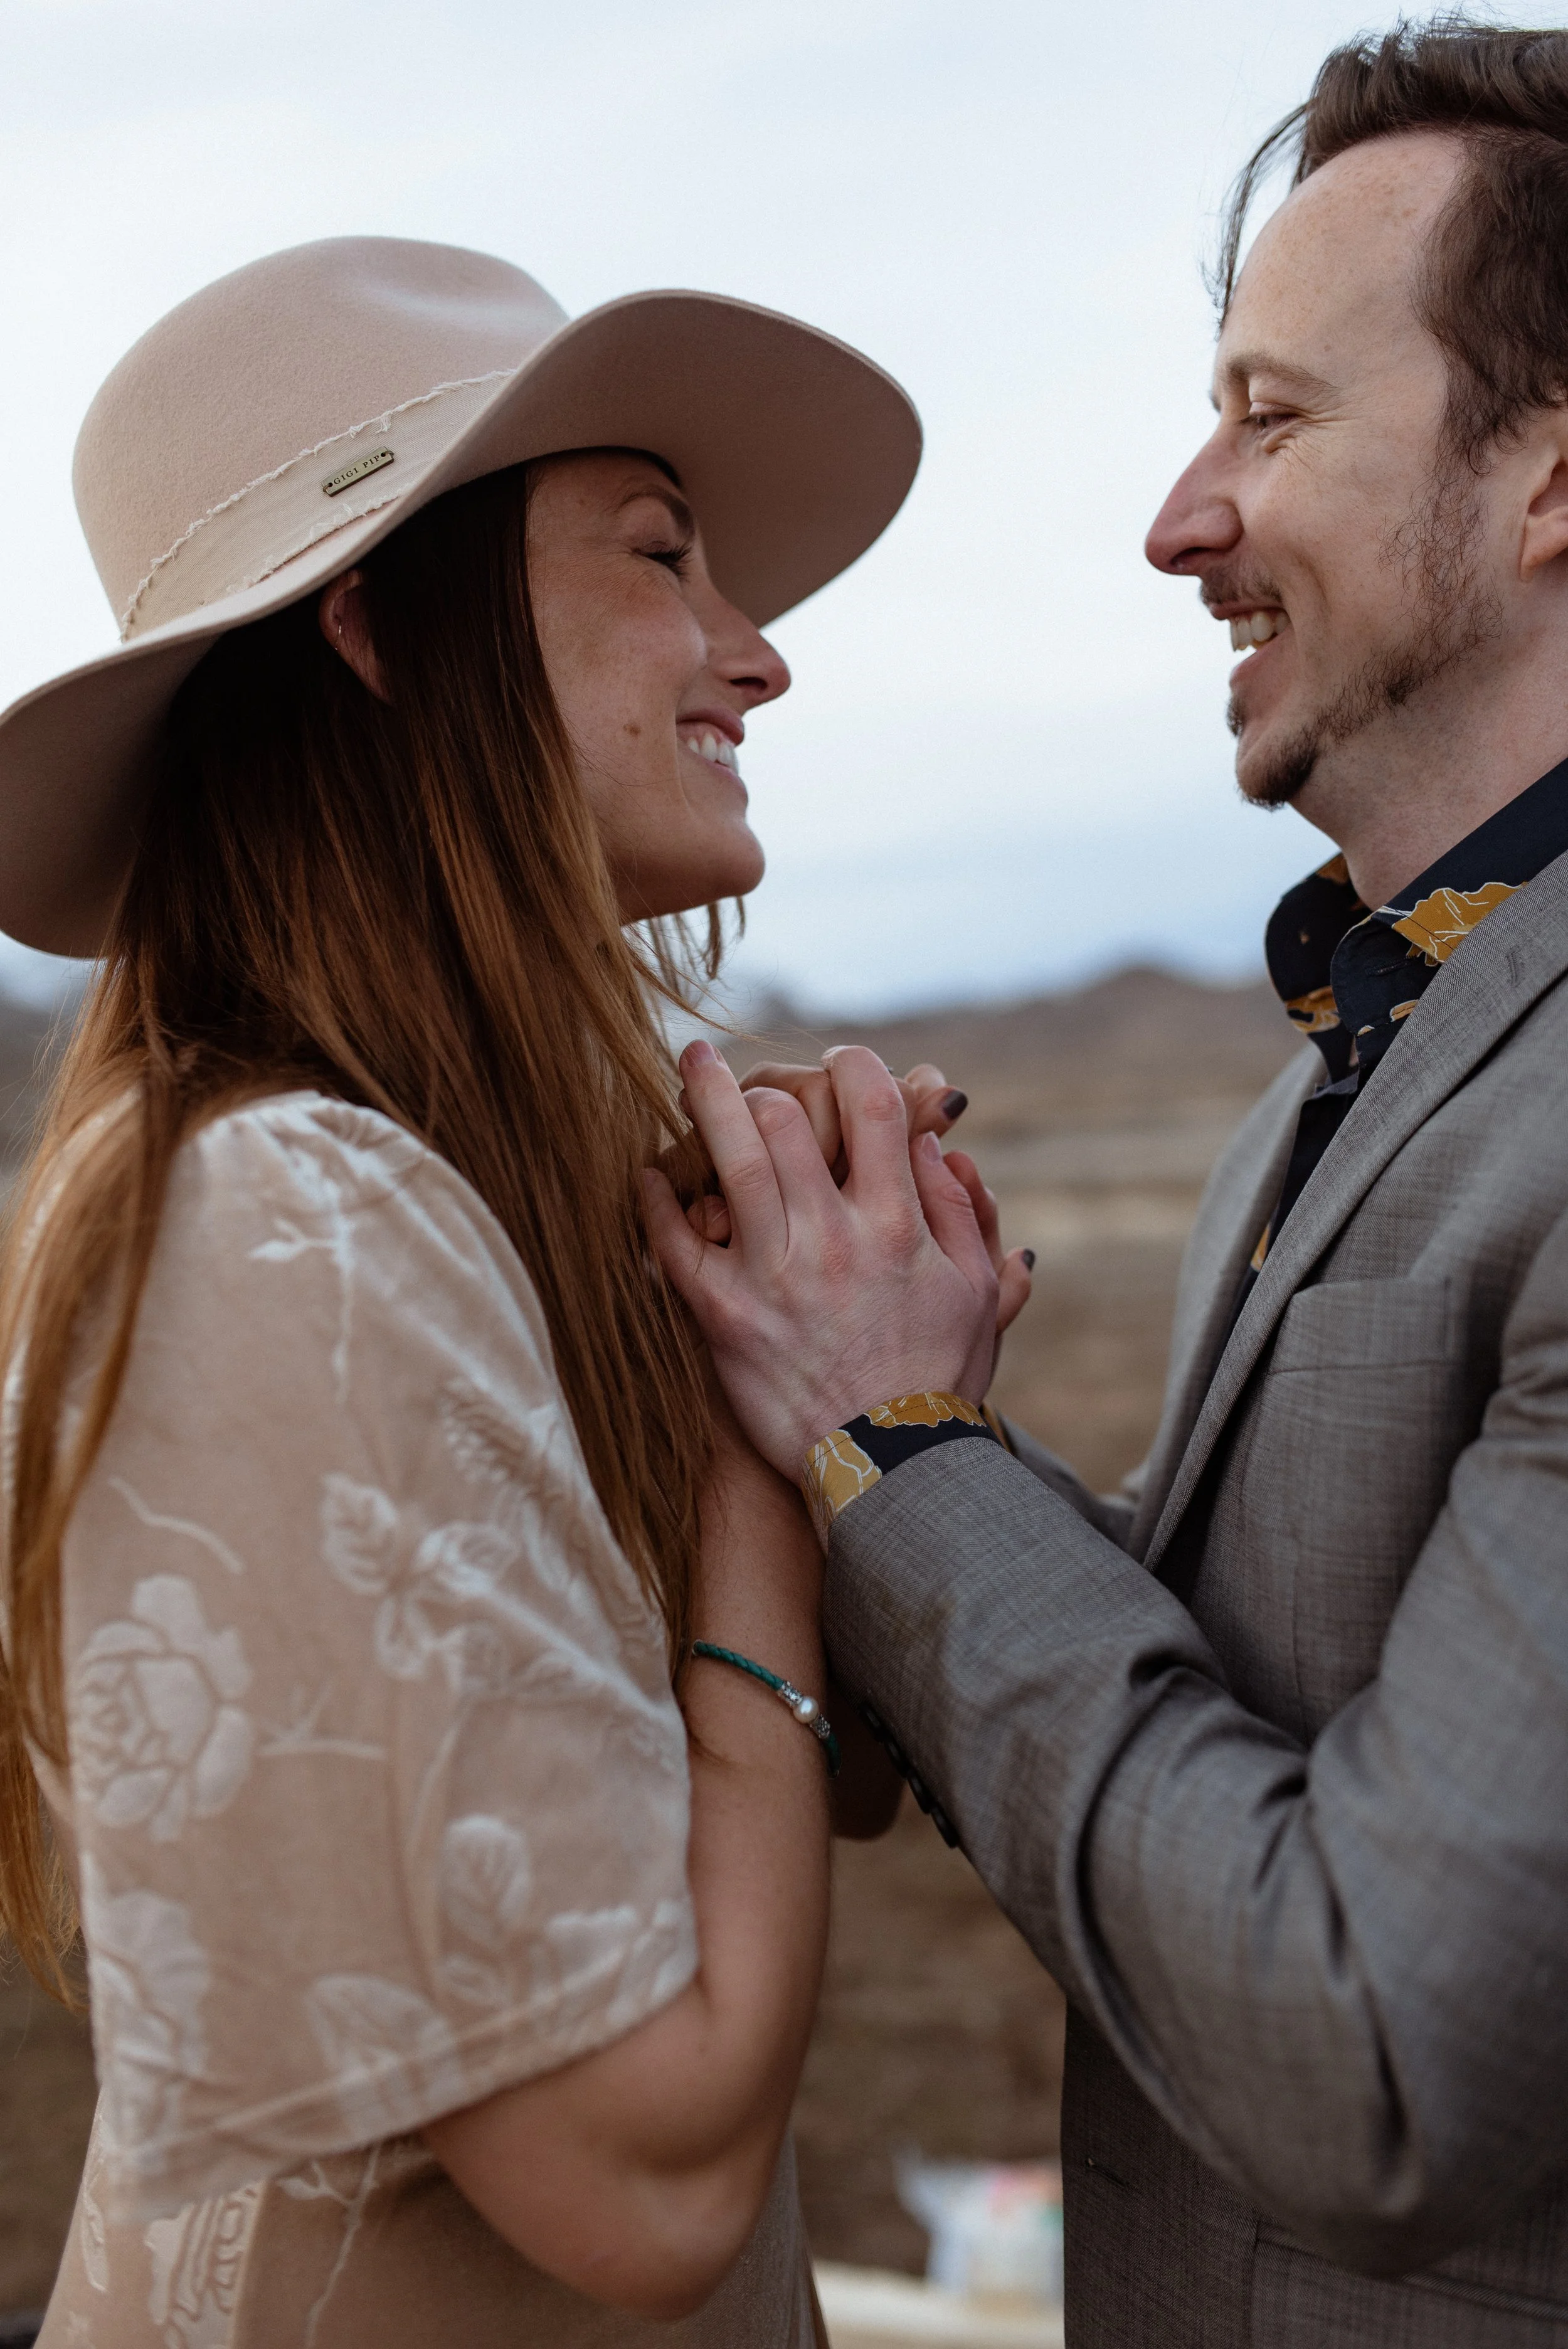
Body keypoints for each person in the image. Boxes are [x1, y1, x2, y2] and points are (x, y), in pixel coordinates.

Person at [648, 21, 1568, 2347]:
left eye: (1271, 418)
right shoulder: (1340, 1076)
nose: (1181, 513)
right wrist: (884, 1430)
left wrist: (907, 1459)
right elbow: (1186, 1738)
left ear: (1549, 475)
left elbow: (1365, 2059)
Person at [0, 234, 943, 2346]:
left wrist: (870, 1377)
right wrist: (747, 1435)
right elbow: (644, 2175)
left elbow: (779, 1790)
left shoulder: (448, 1198)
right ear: (376, 635)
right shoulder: (274, 1221)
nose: (752, 650)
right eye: (660, 553)